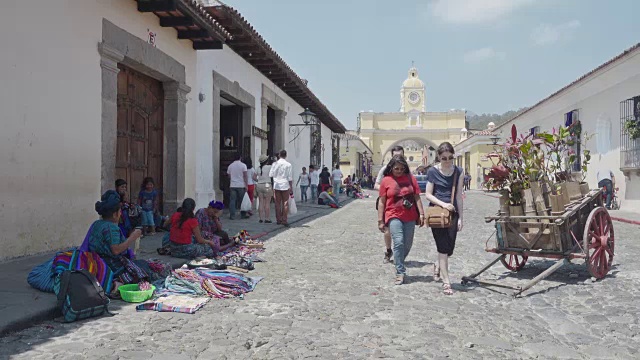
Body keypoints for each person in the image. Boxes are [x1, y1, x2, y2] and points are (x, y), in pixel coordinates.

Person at [424, 142, 465, 296]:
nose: (447, 161)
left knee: (449, 249)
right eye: (444, 158)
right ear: (439, 158)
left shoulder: (458, 172)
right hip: (437, 213)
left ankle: (438, 265)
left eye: (450, 157)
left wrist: (461, 217)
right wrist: (443, 204)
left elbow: (459, 196)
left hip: (453, 213)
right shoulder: (433, 172)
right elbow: (428, 194)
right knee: (442, 247)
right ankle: (446, 282)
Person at [377, 155, 424, 285]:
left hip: (409, 215)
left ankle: (399, 261)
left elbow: (417, 197)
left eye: (401, 169)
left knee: (407, 244)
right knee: (398, 242)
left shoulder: (411, 178)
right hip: (393, 214)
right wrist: (380, 220)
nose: (399, 171)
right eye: (396, 168)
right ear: (391, 168)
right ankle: (400, 272)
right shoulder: (386, 180)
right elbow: (382, 202)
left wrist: (421, 214)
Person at [89, 190, 146, 288]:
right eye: (120, 212)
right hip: (110, 264)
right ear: (115, 214)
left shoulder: (97, 224)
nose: (120, 214)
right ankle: (115, 284)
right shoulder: (111, 228)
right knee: (145, 269)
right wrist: (133, 237)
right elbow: (116, 250)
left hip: (96, 260)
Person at [375, 145, 405, 264]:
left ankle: (399, 252)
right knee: (387, 230)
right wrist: (386, 190)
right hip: (387, 202)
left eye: (400, 156)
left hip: (402, 204)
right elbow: (376, 184)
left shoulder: (406, 170)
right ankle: (388, 251)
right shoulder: (385, 170)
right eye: (395, 156)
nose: (398, 158)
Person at [269, 149, 293, 227]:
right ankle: (284, 220)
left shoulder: (274, 164)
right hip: (285, 185)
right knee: (285, 203)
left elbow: (271, 174)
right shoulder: (288, 165)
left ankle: (278, 219)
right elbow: (290, 177)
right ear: (286, 155)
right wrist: (291, 187)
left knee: (277, 203)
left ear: (279, 155)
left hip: (276, 185)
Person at [227, 153, 249, 220]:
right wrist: (246, 184)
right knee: (242, 201)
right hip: (241, 185)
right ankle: (243, 214)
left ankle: (232, 215)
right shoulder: (243, 165)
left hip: (233, 185)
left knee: (232, 200)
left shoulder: (230, 166)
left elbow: (229, 175)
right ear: (240, 157)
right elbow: (245, 175)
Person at [256, 155, 274, 223]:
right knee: (267, 202)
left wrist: (259, 180)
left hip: (259, 185)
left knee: (261, 202)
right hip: (267, 184)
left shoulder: (258, 168)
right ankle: (267, 218)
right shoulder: (269, 167)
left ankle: (261, 218)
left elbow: (254, 177)